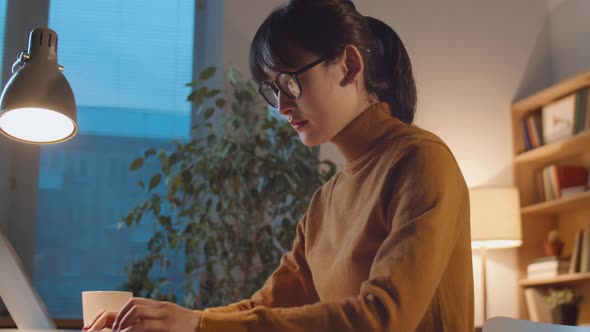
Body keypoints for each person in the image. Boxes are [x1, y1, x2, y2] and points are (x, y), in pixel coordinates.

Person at [85, 0, 474, 331]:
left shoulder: (421, 160)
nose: (282, 106)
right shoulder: (325, 201)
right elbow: (267, 306)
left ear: (349, 66)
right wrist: (178, 320)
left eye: (289, 81)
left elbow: (383, 318)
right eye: (272, 89)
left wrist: (199, 325)